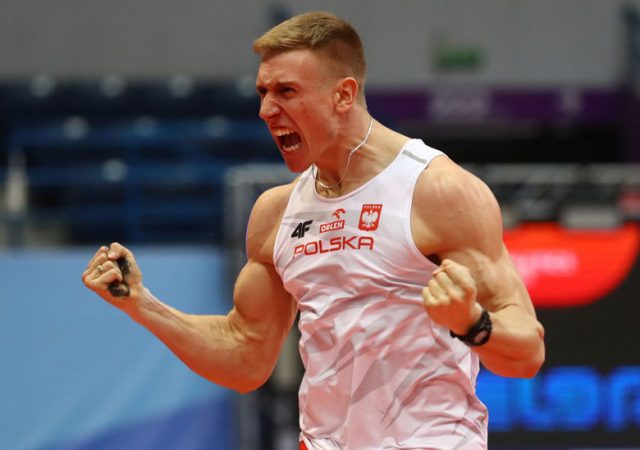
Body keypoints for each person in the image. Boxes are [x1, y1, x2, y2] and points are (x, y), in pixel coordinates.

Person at [82, 11, 545, 450]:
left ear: (343, 94)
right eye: (263, 92)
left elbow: (527, 353)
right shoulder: (276, 213)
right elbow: (246, 357)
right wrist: (140, 305)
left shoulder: (438, 191)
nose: (266, 109)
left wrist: (472, 323)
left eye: (286, 91)